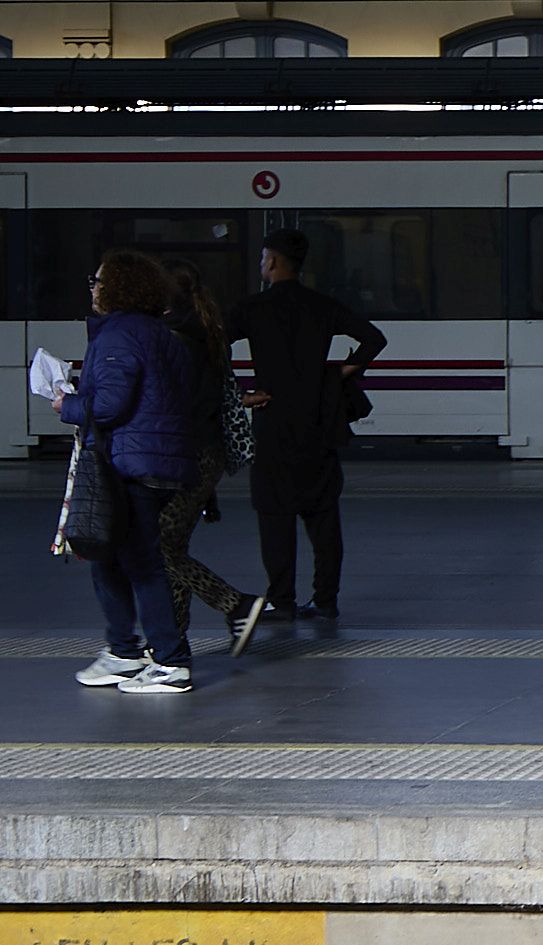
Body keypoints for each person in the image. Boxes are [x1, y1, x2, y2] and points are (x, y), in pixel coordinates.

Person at [56, 249, 213, 695]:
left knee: (141, 563)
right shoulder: (163, 334)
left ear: (118, 288)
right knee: (107, 556)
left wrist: (65, 404)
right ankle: (123, 651)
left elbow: (108, 406)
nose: (93, 287)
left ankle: (169, 661)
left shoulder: (118, 334)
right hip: (161, 460)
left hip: (131, 463)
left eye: (99, 280)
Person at [229, 227, 386, 620]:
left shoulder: (251, 309)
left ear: (273, 261)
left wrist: (239, 393)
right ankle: (326, 599)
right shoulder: (322, 305)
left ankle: (282, 600)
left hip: (272, 420)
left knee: (274, 516)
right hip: (319, 422)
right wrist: (339, 374)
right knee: (323, 515)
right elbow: (373, 338)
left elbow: (213, 346)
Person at [158, 264, 275, 656]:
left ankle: (236, 604)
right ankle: (173, 642)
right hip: (206, 453)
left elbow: (178, 403)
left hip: (182, 454)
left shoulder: (174, 338)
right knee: (173, 547)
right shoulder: (204, 330)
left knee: (160, 548)